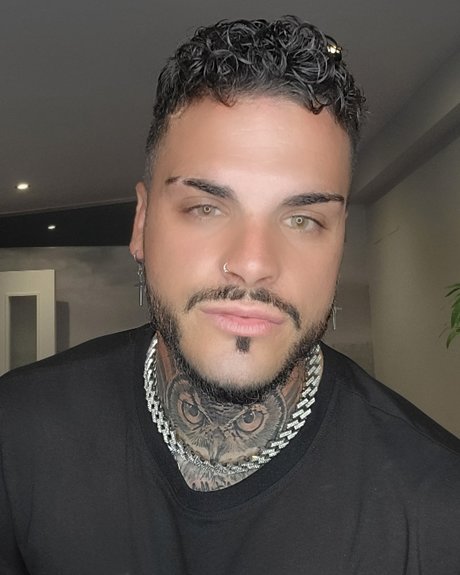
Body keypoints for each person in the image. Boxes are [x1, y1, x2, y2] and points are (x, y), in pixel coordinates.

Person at [1, 16, 459, 575]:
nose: (253, 263)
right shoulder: (16, 434)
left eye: (303, 219)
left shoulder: (439, 508)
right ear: (142, 223)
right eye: (206, 208)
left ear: (339, 240)